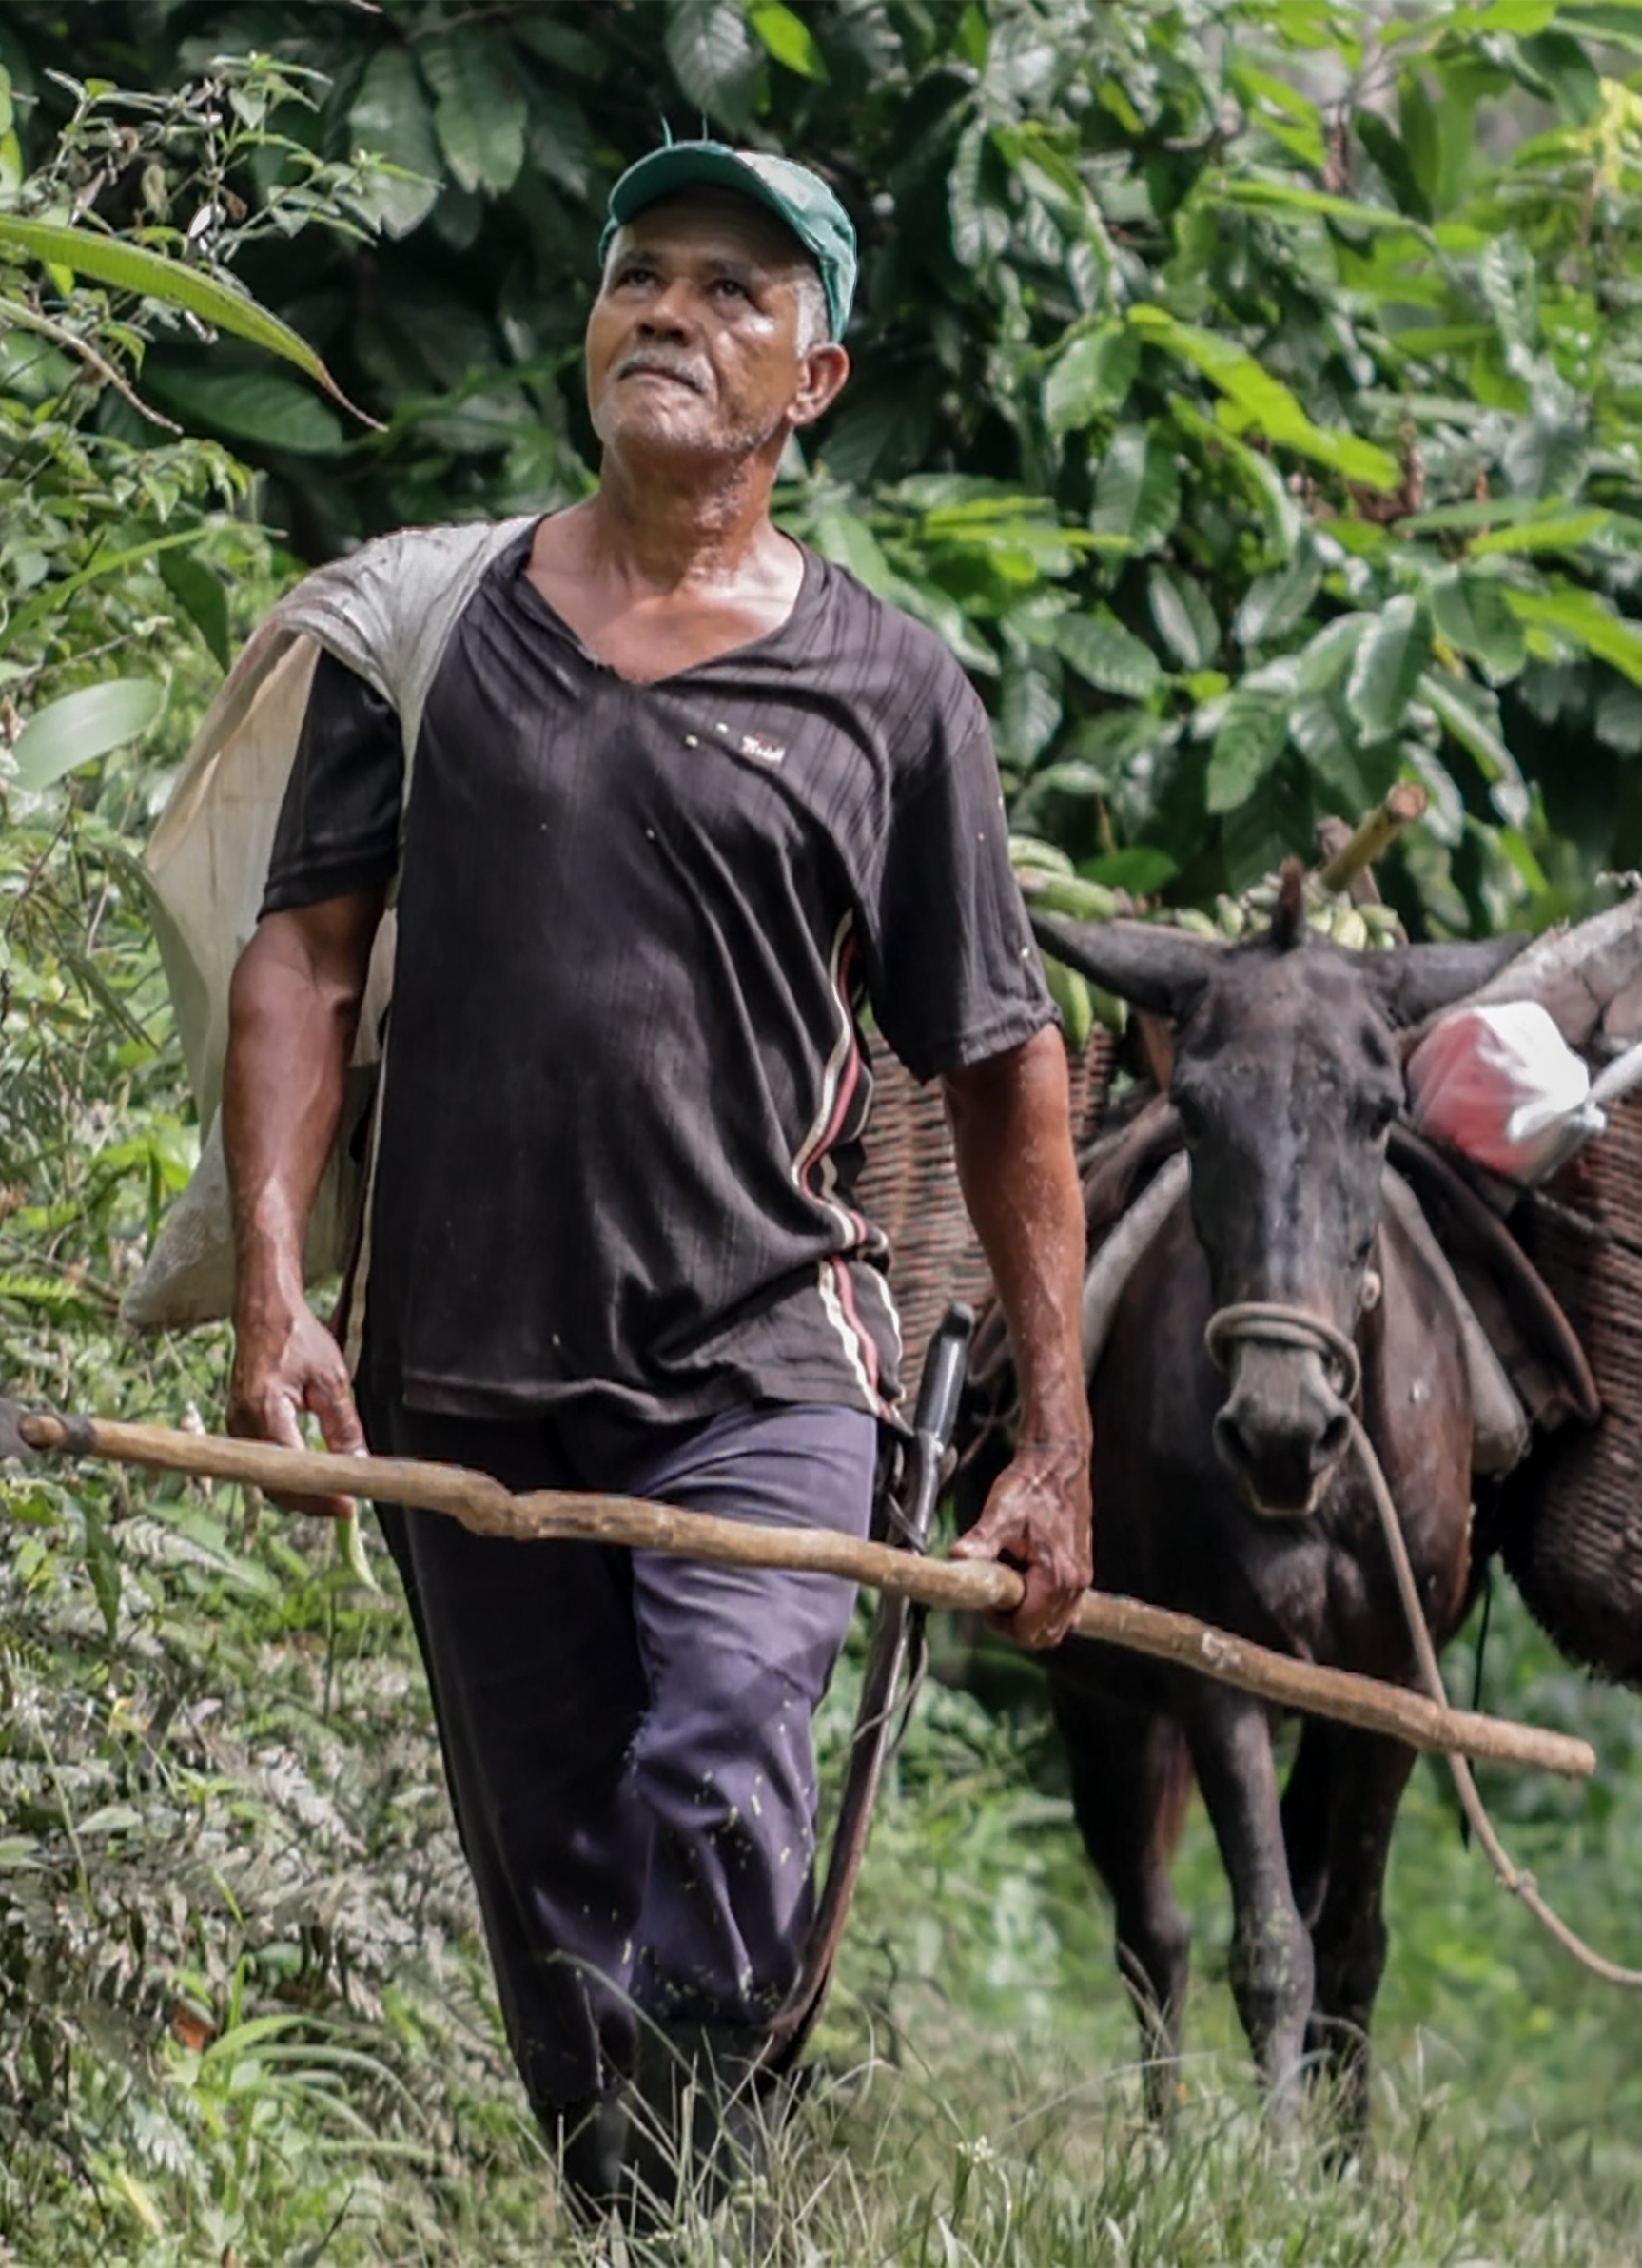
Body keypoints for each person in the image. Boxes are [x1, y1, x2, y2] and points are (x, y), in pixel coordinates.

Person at [218, 143, 1095, 2227]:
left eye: (729, 291)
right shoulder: (430, 638)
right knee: (553, 1892)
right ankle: (653, 2218)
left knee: (717, 1776)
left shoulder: (890, 695)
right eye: (639, 278)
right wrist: (275, 1283)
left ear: (816, 377)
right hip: (460, 1369)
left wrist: (1052, 1430)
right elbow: (306, 957)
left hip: (762, 1363)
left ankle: (694, 2192)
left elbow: (999, 1058)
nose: (667, 316)